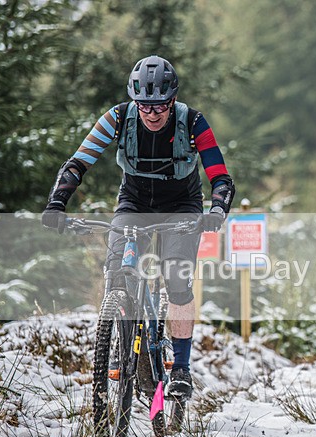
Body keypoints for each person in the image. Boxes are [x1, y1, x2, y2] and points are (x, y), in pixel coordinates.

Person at [42, 55, 235, 401]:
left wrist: (217, 210)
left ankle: (181, 369)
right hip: (134, 202)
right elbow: (77, 163)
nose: (152, 113)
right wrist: (57, 203)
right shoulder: (117, 118)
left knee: (176, 278)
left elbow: (220, 177)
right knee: (117, 268)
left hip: (182, 206)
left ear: (172, 100)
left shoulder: (192, 122)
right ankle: (119, 336)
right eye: (144, 106)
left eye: (160, 106)